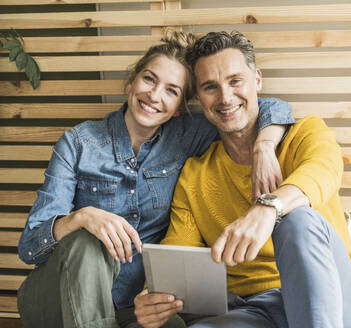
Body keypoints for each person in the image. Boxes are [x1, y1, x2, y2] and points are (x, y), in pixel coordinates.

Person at [17, 31, 294, 328]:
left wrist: (264, 145)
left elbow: (263, 108)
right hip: (58, 298)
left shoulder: (187, 136)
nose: (155, 95)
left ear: (181, 108)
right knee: (86, 240)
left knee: (172, 324)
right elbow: (30, 246)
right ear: (131, 82)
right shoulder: (79, 143)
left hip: (133, 306)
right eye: (149, 79)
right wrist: (82, 217)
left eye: (172, 91)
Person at [134, 31, 351, 328]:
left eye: (235, 81)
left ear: (256, 80)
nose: (225, 97)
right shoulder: (194, 175)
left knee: (297, 220)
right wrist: (152, 297)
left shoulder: (305, 134)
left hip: (334, 299)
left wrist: (268, 207)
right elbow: (178, 257)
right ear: (197, 98)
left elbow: (324, 170)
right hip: (251, 310)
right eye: (210, 87)